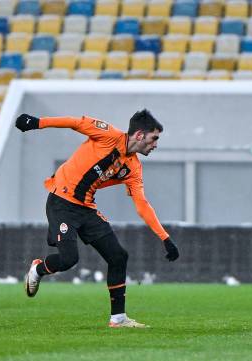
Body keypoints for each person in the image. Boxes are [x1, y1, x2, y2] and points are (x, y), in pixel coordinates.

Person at [15, 109, 180, 328]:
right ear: (139, 135)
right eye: (154, 138)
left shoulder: (133, 168)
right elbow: (74, 122)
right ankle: (38, 269)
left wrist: (165, 238)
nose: (155, 144)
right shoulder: (108, 134)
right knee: (68, 260)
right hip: (61, 202)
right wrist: (38, 123)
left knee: (118, 256)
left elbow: (142, 204)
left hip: (86, 208)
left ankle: (118, 319)